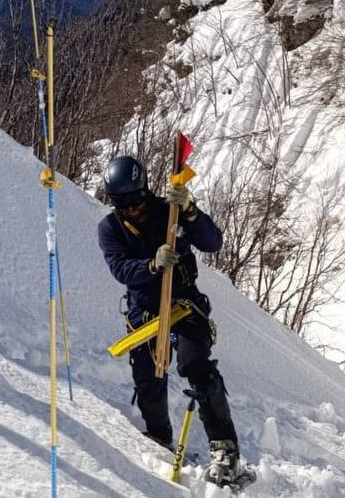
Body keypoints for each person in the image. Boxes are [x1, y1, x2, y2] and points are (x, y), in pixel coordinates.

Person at [97, 155, 244, 486]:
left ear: (145, 190)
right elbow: (120, 268)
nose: (132, 208)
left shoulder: (170, 210)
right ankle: (159, 436)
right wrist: (151, 266)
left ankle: (224, 448)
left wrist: (190, 210)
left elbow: (212, 242)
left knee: (196, 364)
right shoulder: (110, 228)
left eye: (136, 200)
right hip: (145, 309)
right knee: (148, 374)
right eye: (123, 203)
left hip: (184, 302)